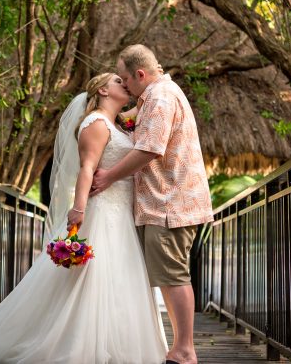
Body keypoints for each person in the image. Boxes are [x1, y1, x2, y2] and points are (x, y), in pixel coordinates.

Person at [0, 73, 167, 364]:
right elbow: (86, 168)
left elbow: (144, 106)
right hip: (101, 211)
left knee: (118, 278)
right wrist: (78, 209)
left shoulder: (116, 124)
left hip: (121, 213)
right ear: (102, 89)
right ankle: (77, 344)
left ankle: (115, 344)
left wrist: (158, 80)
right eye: (117, 80)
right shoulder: (96, 124)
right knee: (90, 280)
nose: (124, 82)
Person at [91, 45, 214, 364]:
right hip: (163, 203)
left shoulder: (160, 98)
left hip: (171, 204)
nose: (125, 86)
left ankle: (185, 350)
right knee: (167, 276)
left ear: (140, 74)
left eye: (126, 80)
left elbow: (150, 150)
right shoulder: (156, 96)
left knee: (174, 276)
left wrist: (108, 177)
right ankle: (179, 347)